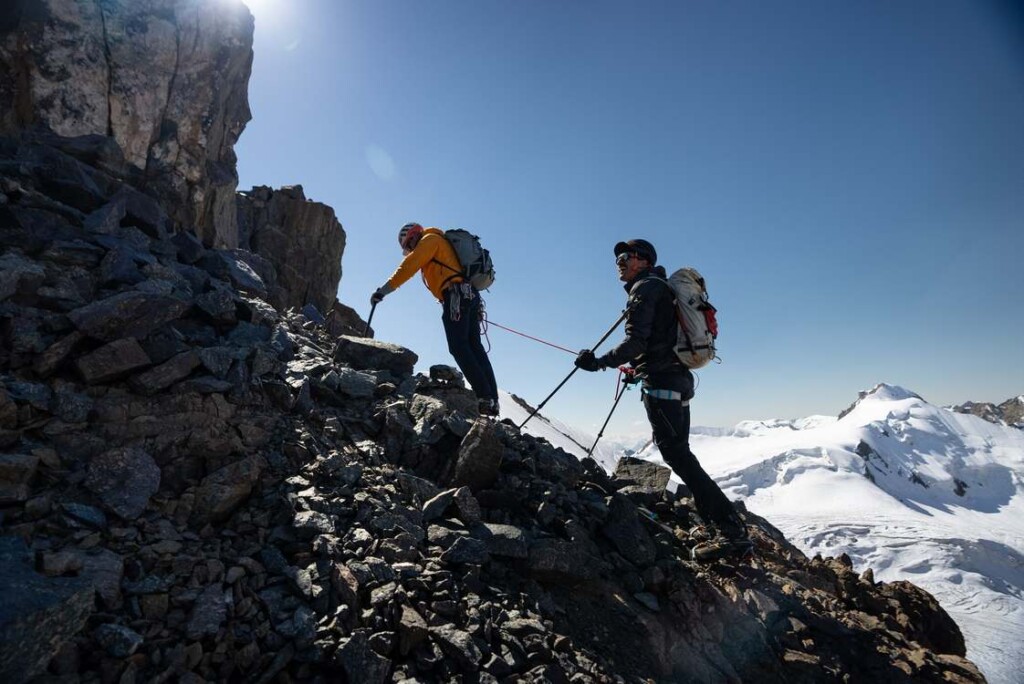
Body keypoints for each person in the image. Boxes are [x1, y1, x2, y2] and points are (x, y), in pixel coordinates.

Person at [574, 239, 751, 560]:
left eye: (625, 257)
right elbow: (658, 341)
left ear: (643, 261)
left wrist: (598, 362)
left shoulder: (645, 289)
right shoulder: (660, 288)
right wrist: (638, 367)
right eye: (617, 259)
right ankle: (719, 524)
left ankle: (731, 532)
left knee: (677, 455)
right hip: (677, 379)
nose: (619, 263)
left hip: (663, 383)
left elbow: (636, 342)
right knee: (681, 453)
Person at [371, 223, 500, 416]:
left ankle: (484, 396)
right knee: (474, 347)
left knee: (458, 346)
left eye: (409, 245)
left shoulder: (429, 240)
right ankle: (491, 400)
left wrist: (382, 291)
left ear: (413, 236)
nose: (410, 250)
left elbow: (408, 267)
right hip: (468, 294)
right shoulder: (437, 241)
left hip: (455, 295)